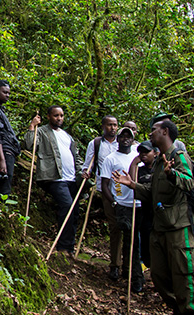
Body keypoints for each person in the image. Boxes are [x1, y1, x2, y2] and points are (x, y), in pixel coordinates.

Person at [113, 120, 194, 315]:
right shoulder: (160, 161)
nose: (150, 134)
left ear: (165, 132)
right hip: (159, 227)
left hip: (178, 227)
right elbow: (153, 192)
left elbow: (188, 182)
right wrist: (132, 185)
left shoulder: (179, 156)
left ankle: (188, 310)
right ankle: (177, 307)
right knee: (159, 275)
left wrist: (172, 174)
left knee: (182, 273)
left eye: (154, 130)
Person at [26, 105, 83, 253]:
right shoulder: (43, 131)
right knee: (67, 206)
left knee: (74, 211)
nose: (59, 118)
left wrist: (81, 172)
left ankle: (69, 246)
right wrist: (32, 126)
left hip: (71, 178)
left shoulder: (66, 135)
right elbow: (29, 144)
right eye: (56, 115)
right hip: (55, 177)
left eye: (61, 115)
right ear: (49, 116)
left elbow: (75, 155)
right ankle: (63, 246)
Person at [100, 127, 144, 293]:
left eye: (129, 136)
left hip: (138, 204)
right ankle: (115, 266)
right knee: (117, 233)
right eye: (123, 136)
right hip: (121, 203)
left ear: (133, 140)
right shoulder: (111, 159)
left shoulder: (138, 157)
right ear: (118, 139)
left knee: (133, 239)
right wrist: (114, 202)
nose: (126, 139)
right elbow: (105, 184)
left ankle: (129, 269)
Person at [82, 115, 124, 280]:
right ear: (103, 126)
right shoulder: (96, 143)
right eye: (109, 125)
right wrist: (86, 172)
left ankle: (127, 265)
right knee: (114, 227)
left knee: (125, 227)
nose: (112, 128)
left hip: (124, 191)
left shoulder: (124, 143)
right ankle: (115, 265)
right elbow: (88, 164)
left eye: (115, 125)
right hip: (104, 188)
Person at [0, 80, 19, 196]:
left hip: (7, 151)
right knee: (3, 187)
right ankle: (0, 210)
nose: (7, 95)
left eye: (9, 93)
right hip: (4, 151)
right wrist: (2, 159)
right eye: (4, 92)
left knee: (5, 183)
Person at [134, 140, 158, 270]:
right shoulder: (140, 170)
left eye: (147, 152)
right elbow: (132, 184)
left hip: (159, 212)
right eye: (141, 152)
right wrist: (133, 164)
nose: (143, 155)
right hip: (145, 212)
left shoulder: (160, 168)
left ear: (155, 153)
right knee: (145, 241)